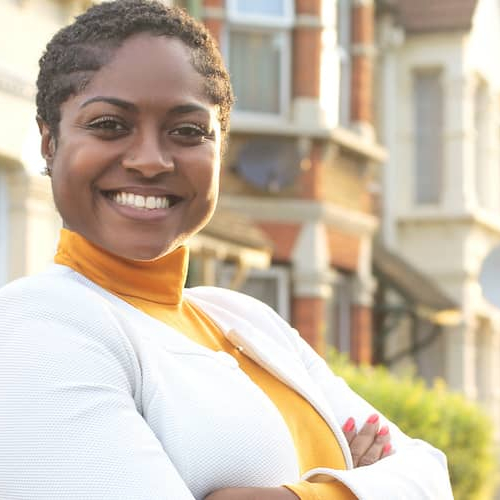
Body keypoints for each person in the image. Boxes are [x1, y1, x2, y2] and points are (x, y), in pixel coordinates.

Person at [0, 1, 453, 499]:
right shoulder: (33, 327)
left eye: (188, 131)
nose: (151, 160)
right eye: (110, 124)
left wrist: (300, 495)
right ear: (49, 143)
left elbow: (430, 471)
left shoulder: (245, 319)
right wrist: (359, 481)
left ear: (219, 147)